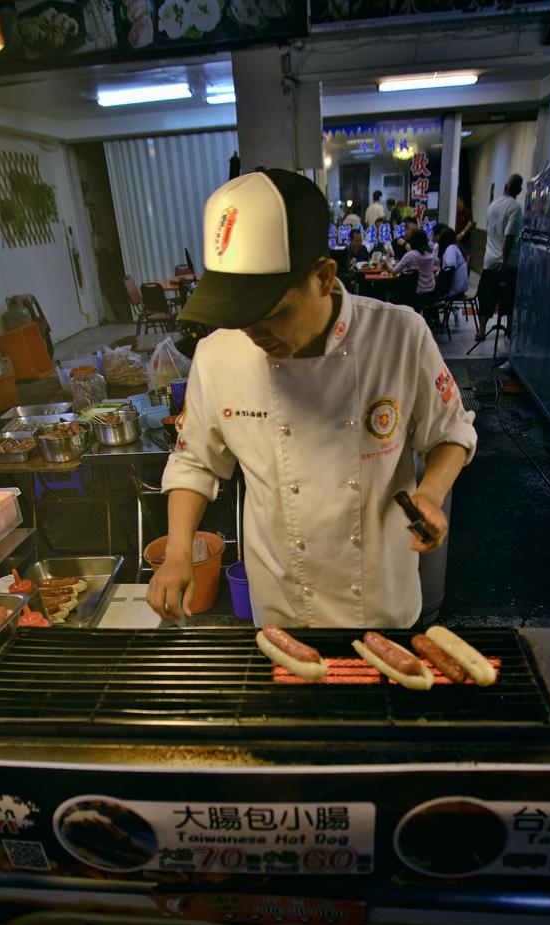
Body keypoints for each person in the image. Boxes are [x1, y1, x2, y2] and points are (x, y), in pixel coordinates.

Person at [148, 168, 476, 629]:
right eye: (240, 316)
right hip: (282, 603)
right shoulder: (218, 354)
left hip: (379, 599)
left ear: (323, 277)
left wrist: (431, 493)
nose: (253, 333)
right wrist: (179, 550)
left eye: (272, 313)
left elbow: (452, 430)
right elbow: (195, 461)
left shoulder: (400, 335)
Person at [476, 173, 523, 342]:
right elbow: (509, 237)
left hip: (489, 261)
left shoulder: (493, 205)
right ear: (519, 189)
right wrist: (504, 258)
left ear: (505, 187)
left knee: (486, 296)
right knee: (508, 299)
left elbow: (491, 232)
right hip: (506, 264)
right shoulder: (515, 208)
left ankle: (481, 331)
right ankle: (508, 328)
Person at [391, 229, 436, 304]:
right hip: (431, 293)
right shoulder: (431, 254)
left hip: (415, 295)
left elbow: (394, 271)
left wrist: (388, 263)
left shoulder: (411, 255)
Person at [434, 225, 469, 298]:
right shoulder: (455, 247)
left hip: (454, 292)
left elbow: (448, 271)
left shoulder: (450, 250)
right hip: (460, 289)